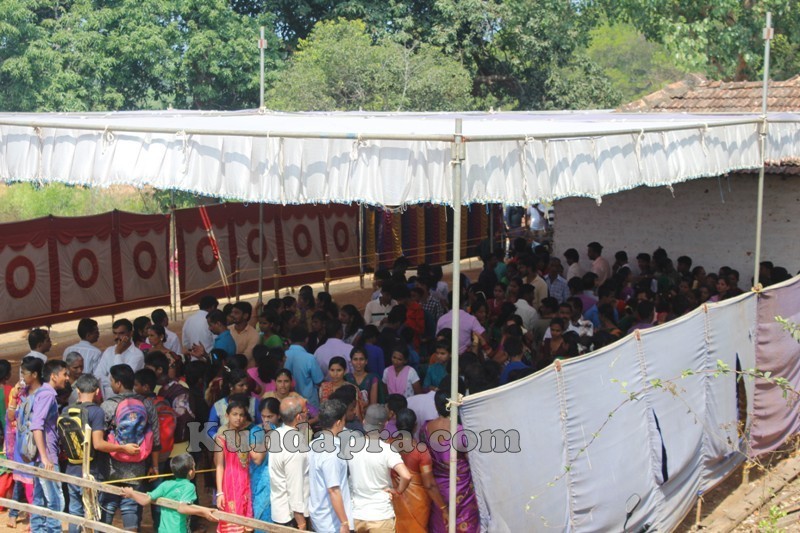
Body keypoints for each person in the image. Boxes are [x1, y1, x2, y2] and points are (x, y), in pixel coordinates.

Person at [100, 364, 161, 531]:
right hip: (138, 464)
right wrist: (154, 466)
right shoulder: (147, 404)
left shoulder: (107, 406)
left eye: (111, 380)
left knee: (108, 503)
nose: (111, 383)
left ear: (118, 383)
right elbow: (155, 439)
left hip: (112, 467)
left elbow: (99, 439)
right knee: (131, 505)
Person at [421, 391, 480, 533]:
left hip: (438, 489)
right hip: (462, 490)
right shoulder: (459, 431)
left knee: (442, 523)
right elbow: (472, 462)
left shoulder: (425, 428)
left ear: (435, 406)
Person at [347, 404, 412, 532]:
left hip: (357, 515)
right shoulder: (387, 450)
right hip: (381, 515)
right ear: (385, 424)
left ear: (364, 421)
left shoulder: (351, 445)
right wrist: (398, 491)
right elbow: (406, 475)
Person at [122, 454, 217, 533]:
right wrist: (203, 512)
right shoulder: (189, 487)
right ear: (191, 472)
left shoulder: (165, 484)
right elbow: (182, 508)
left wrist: (131, 493)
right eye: (194, 466)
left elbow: (145, 500)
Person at [389, 409, 448, 533]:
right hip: (418, 503)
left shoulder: (387, 445)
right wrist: (443, 507)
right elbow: (429, 484)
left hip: (395, 500)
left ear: (397, 426)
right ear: (415, 426)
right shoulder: (420, 450)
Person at [29, 359, 67, 533]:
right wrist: (46, 458)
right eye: (64, 374)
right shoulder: (48, 394)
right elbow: (37, 425)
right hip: (47, 456)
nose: (67, 378)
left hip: (39, 454)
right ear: (54, 376)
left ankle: (37, 530)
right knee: (55, 500)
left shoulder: (40, 392)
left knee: (39, 498)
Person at [215, 397, 264, 532]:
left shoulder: (247, 435)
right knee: (232, 526)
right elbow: (219, 466)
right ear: (227, 415)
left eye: (242, 415)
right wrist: (220, 493)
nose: (238, 418)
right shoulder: (221, 438)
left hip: (247, 484)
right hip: (230, 485)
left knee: (247, 527)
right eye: (235, 414)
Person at [309, 399, 353, 533]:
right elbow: (333, 491)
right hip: (332, 522)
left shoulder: (313, 445)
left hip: (320, 517)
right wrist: (344, 522)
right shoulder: (332, 453)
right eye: (344, 420)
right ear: (339, 423)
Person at [269, 396, 310, 528]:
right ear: (299, 417)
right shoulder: (295, 444)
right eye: (305, 412)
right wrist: (301, 521)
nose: (307, 414)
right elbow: (294, 485)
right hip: (292, 516)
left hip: (280, 510)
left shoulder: (277, 434)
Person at [94, 319, 145, 400]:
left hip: (128, 401)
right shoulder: (109, 351)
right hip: (108, 401)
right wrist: (114, 382)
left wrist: (118, 353)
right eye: (115, 333)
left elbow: (123, 379)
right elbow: (97, 376)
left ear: (131, 333)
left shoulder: (137, 354)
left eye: (121, 333)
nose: (117, 337)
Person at [250, 397, 280, 530]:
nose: (266, 420)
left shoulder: (283, 431)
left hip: (280, 480)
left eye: (270, 416)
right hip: (262, 480)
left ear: (279, 415)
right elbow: (257, 459)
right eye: (263, 416)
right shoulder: (256, 431)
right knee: (262, 519)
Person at [284, 325, 325, 409]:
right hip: (308, 403)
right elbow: (319, 381)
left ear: (289, 340)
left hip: (288, 402)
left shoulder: (283, 356)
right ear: (306, 339)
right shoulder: (309, 358)